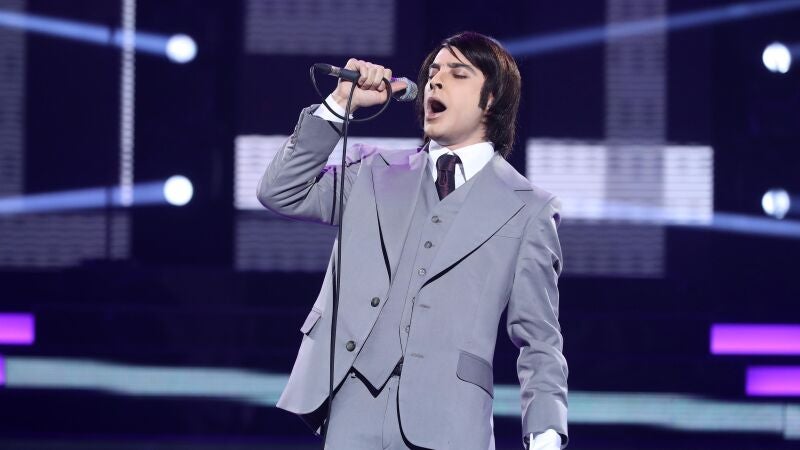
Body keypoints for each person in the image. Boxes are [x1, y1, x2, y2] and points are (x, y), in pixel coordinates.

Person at [257, 31, 568, 450]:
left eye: (457, 74)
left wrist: (545, 433)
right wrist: (340, 105)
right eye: (433, 71)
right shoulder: (372, 172)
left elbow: (539, 338)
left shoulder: (528, 208)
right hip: (351, 407)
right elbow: (281, 191)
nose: (436, 80)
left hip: (451, 423)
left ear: (491, 99)